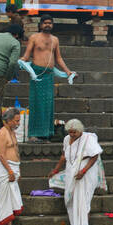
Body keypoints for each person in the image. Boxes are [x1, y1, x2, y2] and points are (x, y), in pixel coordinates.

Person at [21, 14, 75, 142]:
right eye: (45, 23)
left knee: (48, 105)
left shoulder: (55, 40)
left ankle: (45, 134)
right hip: (37, 75)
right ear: (40, 25)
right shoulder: (34, 37)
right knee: (36, 104)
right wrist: (22, 61)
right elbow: (26, 56)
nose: (47, 25)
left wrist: (67, 71)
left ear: (52, 25)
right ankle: (33, 135)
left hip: (49, 75)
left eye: (50, 23)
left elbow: (59, 58)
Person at [49, 119, 105, 225]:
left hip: (86, 173)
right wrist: (55, 170)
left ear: (80, 131)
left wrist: (83, 171)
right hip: (71, 172)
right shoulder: (66, 139)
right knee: (70, 200)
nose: (72, 135)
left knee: (83, 201)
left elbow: (95, 155)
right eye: (70, 132)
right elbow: (64, 156)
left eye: (74, 132)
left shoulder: (88, 138)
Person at [0, 106, 25, 225]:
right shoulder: (2, 133)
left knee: (11, 200)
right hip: (5, 169)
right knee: (3, 199)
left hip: (14, 168)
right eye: (16, 121)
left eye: (19, 121)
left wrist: (18, 169)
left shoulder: (11, 132)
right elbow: (1, 155)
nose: (18, 124)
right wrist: (10, 171)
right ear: (8, 120)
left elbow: (16, 152)